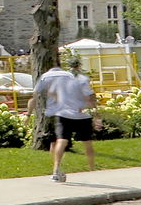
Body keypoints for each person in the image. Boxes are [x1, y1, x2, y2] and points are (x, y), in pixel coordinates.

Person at [35, 53, 97, 182]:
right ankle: (92, 169)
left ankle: (56, 168)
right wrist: (92, 108)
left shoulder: (61, 80)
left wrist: (62, 100)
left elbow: (51, 92)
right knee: (87, 143)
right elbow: (89, 96)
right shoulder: (82, 79)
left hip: (63, 114)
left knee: (61, 140)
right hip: (81, 115)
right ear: (79, 66)